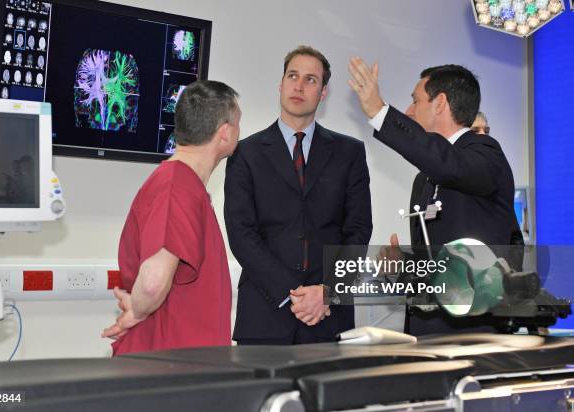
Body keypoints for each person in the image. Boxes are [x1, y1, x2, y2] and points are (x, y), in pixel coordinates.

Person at [348, 58, 518, 335]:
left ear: (440, 104)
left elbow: (449, 164)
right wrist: (402, 265)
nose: (408, 110)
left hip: (473, 330)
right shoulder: (424, 178)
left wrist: (381, 113)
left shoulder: (485, 152)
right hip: (427, 328)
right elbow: (435, 262)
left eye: (415, 101)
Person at [225, 46, 373, 345]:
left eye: (310, 80)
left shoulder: (349, 152)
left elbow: (357, 230)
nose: (299, 85)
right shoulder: (245, 152)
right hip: (265, 314)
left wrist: (326, 291)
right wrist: (292, 294)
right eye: (293, 76)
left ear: (323, 93)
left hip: (328, 315)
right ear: (280, 84)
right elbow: (241, 233)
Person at [102, 80, 241, 354]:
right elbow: (153, 282)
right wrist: (138, 312)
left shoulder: (183, 185)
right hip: (170, 367)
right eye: (238, 123)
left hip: (183, 363)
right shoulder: (176, 186)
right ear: (224, 133)